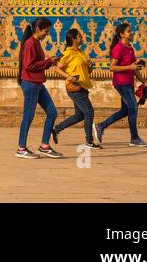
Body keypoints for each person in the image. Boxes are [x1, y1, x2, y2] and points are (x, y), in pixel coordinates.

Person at [95, 21, 147, 147]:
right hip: (121, 83)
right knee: (133, 108)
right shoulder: (118, 48)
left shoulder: (130, 48)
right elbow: (112, 67)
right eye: (128, 31)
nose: (131, 33)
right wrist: (128, 67)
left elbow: (134, 68)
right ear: (122, 34)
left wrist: (143, 81)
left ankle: (100, 126)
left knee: (125, 110)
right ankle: (134, 138)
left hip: (129, 83)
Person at [15, 17, 61, 158]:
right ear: (37, 29)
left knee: (52, 112)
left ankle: (44, 145)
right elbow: (29, 66)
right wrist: (47, 62)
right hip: (30, 83)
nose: (47, 34)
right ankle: (21, 148)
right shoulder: (30, 44)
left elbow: (36, 63)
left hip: (37, 82)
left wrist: (49, 62)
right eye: (46, 31)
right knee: (28, 116)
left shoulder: (35, 43)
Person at [51, 28, 100, 149]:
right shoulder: (68, 53)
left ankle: (56, 129)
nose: (82, 38)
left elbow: (87, 71)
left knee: (80, 115)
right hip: (75, 87)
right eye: (80, 36)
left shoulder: (80, 52)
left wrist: (89, 66)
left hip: (83, 86)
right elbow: (57, 68)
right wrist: (68, 77)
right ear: (74, 39)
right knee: (89, 112)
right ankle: (89, 141)